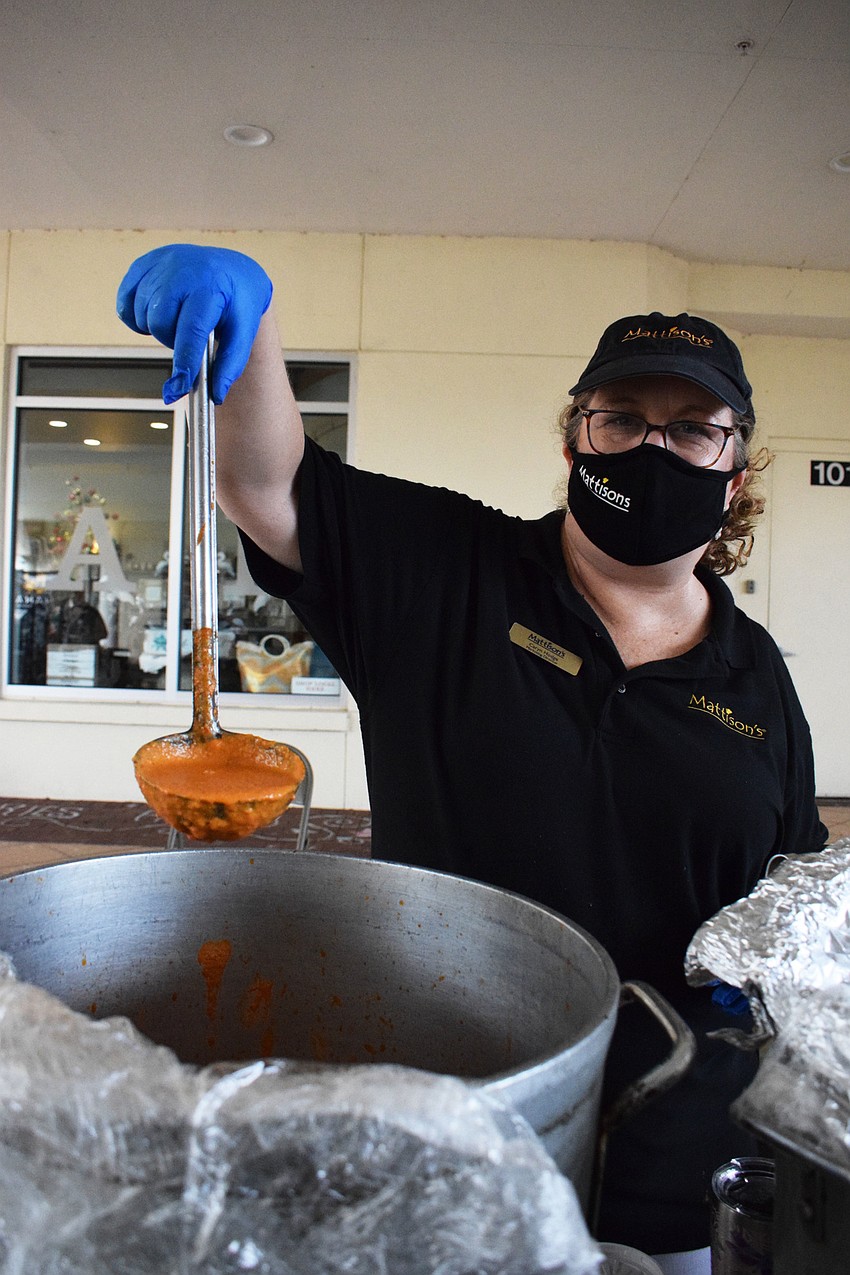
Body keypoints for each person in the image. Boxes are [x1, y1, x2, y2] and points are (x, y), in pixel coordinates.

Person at [117, 246, 827, 1269]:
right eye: (621, 418)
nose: (651, 448)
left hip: (674, 1144)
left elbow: (789, 886)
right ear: (577, 435)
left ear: (735, 469)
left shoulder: (755, 676)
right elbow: (265, 483)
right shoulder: (448, 571)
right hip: (454, 1113)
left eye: (691, 429)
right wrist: (250, 324)